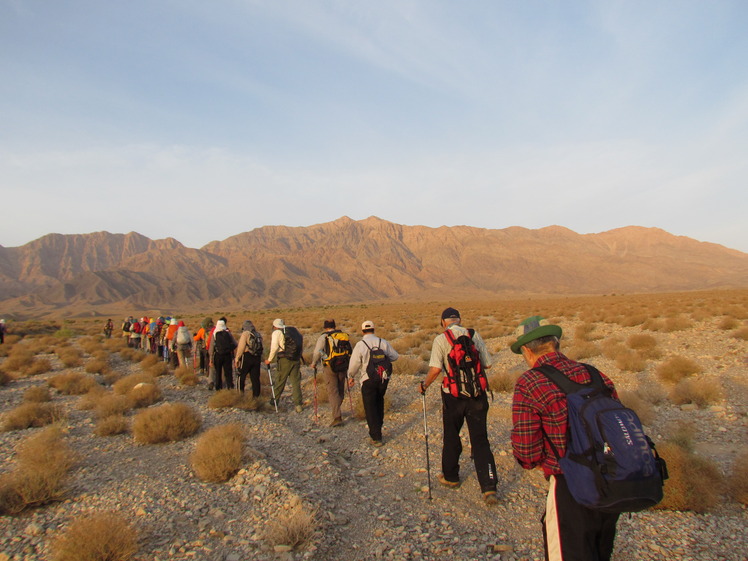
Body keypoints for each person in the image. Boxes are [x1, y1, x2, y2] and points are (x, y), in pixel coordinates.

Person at [510, 316, 620, 561]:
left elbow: (527, 449)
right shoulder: (594, 373)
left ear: (527, 351)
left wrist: (537, 463)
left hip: (570, 485)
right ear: (556, 343)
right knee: (600, 551)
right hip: (611, 481)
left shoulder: (530, 381)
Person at [419, 307, 499, 505]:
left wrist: (424, 385)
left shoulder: (441, 339)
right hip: (478, 396)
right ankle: (489, 487)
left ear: (443, 322)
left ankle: (451, 477)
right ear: (460, 320)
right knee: (480, 440)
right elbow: (487, 364)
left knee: (452, 435)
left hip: (453, 396)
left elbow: (436, 369)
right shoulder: (473, 334)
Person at [347, 320, 399, 446]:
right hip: (382, 378)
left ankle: (376, 436)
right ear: (374, 329)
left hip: (367, 379)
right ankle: (379, 427)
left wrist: (350, 376)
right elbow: (395, 357)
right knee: (379, 402)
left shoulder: (361, 344)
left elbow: (354, 364)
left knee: (370, 407)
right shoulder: (382, 342)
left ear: (362, 331)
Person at [309, 319, 350, 427]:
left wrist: (314, 363)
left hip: (329, 366)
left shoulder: (324, 337)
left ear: (325, 327)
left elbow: (318, 351)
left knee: (332, 391)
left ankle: (337, 417)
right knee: (340, 388)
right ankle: (337, 408)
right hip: (343, 365)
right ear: (334, 326)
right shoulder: (343, 335)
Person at [264, 319, 305, 413]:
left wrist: (269, 360)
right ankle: (298, 405)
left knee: (280, 381)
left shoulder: (277, 332)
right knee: (295, 382)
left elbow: (274, 347)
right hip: (296, 359)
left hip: (284, 360)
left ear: (274, 326)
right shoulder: (292, 331)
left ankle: (273, 403)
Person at [234, 320, 263, 396]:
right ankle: (256, 397)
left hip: (247, 356)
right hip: (257, 357)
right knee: (255, 379)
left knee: (241, 376)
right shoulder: (258, 334)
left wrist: (237, 359)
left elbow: (241, 347)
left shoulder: (245, 334)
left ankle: (240, 395)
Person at [211, 319, 237, 390]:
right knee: (228, 372)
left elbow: (211, 347)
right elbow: (235, 344)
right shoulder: (228, 333)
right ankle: (230, 386)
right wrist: (230, 349)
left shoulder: (214, 333)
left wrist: (210, 358)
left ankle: (218, 388)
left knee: (218, 372)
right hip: (227, 355)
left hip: (218, 355)